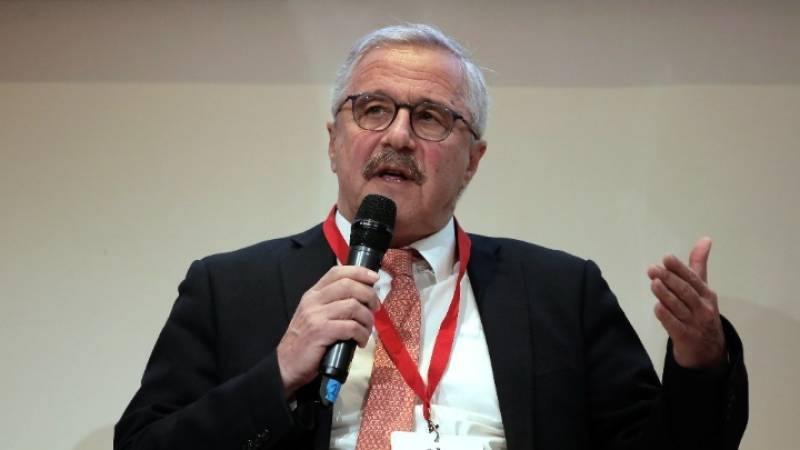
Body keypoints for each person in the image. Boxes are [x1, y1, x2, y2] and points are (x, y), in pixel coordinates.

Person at [114, 24, 748, 450]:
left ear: (472, 160)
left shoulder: (561, 290)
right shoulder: (227, 288)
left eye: (430, 117)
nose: (397, 135)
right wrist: (278, 373)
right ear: (333, 142)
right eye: (373, 109)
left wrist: (702, 362)